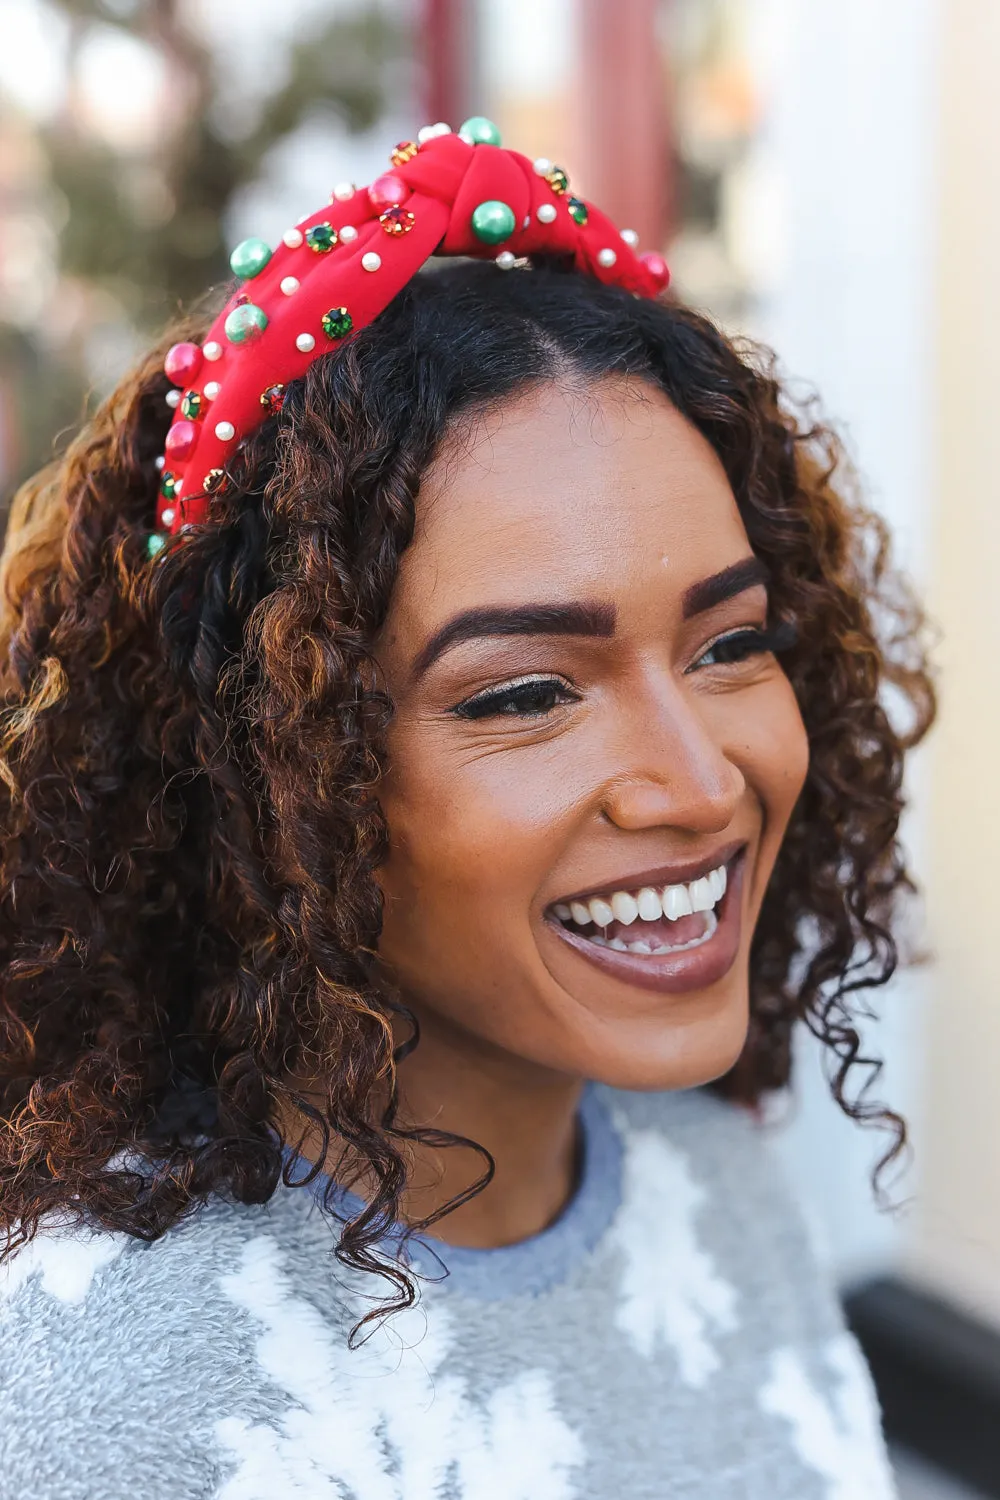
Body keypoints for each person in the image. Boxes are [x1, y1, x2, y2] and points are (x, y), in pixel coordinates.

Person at [0, 119, 933, 1499]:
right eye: (525, 694)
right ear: (275, 773)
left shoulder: (708, 1181)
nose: (697, 783)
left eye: (731, 645)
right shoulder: (95, 1394)